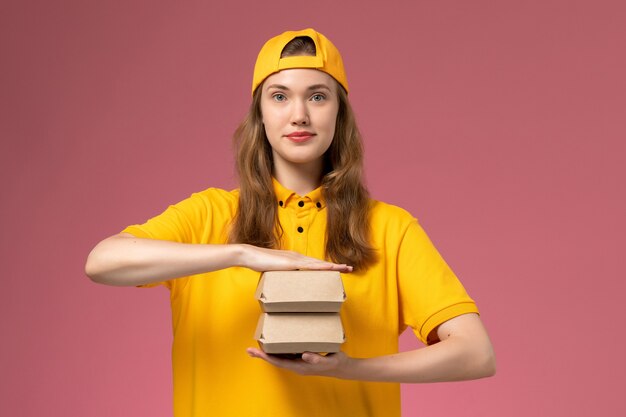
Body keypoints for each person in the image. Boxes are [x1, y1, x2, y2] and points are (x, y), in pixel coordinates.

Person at [85, 28, 496, 417]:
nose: (299, 114)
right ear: (259, 114)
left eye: (318, 97)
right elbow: (103, 261)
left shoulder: (390, 228)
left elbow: (476, 353)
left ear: (340, 113)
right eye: (279, 96)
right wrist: (242, 254)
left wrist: (347, 368)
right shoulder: (209, 215)